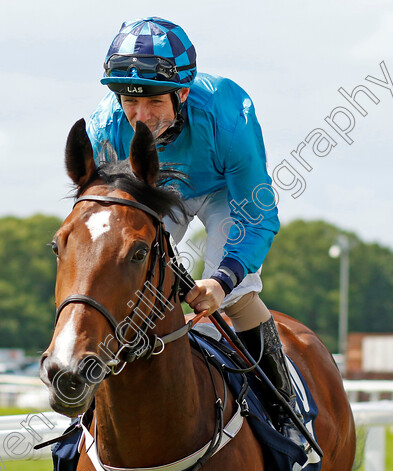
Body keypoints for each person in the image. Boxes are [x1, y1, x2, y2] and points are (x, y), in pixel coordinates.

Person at [86, 17, 299, 434]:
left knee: (235, 294)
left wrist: (222, 279)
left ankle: (282, 407)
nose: (140, 118)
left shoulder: (229, 116)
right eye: (129, 102)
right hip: (156, 191)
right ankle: (92, 406)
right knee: (128, 280)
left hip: (223, 192)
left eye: (154, 104)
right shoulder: (104, 130)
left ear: (182, 92)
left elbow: (259, 214)